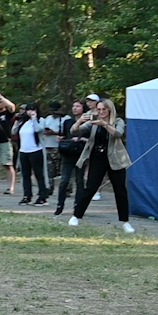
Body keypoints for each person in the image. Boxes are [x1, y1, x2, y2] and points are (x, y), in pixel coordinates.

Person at [69, 98, 134, 232]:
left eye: (104, 109)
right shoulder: (94, 122)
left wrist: (104, 124)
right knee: (90, 188)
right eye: (99, 109)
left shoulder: (117, 121)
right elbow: (74, 131)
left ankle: (125, 222)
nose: (101, 112)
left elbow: (118, 134)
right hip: (97, 158)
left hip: (115, 159)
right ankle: (76, 216)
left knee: (120, 190)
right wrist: (80, 121)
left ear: (110, 110)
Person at [52, 100, 88, 216]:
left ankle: (78, 206)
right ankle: (60, 205)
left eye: (78, 106)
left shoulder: (89, 123)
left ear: (83, 108)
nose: (75, 108)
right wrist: (61, 139)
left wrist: (81, 139)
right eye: (73, 106)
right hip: (68, 154)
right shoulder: (67, 122)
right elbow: (63, 135)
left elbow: (92, 140)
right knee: (64, 181)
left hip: (81, 155)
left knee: (80, 181)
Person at [15, 105, 50, 204]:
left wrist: (34, 118)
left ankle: (42, 196)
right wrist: (17, 121)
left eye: (33, 109)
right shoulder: (24, 122)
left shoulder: (41, 120)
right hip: (23, 151)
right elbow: (14, 132)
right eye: (28, 110)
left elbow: (39, 130)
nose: (30, 112)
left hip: (36, 151)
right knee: (25, 175)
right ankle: (27, 195)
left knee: (39, 174)